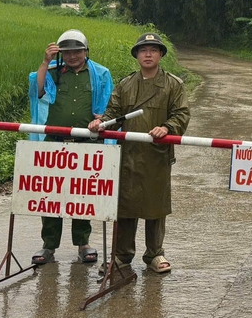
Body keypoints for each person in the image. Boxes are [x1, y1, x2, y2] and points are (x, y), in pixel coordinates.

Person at [88, 33, 190, 273]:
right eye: (143, 50)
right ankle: (122, 256)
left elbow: (181, 114)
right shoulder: (126, 84)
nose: (148, 54)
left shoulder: (173, 84)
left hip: (156, 155)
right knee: (125, 206)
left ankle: (155, 254)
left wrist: (167, 127)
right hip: (128, 156)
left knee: (156, 207)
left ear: (161, 55)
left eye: (153, 50)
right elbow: (113, 113)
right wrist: (101, 123)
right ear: (136, 55)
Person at [28, 29, 113, 265]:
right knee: (51, 194)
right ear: (60, 54)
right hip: (54, 142)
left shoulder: (100, 75)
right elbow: (39, 91)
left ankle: (83, 243)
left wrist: (100, 119)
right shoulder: (55, 73)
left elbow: (108, 104)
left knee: (82, 194)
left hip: (85, 143)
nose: (72, 56)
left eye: (77, 51)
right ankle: (49, 245)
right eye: (67, 52)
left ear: (86, 52)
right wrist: (45, 61)